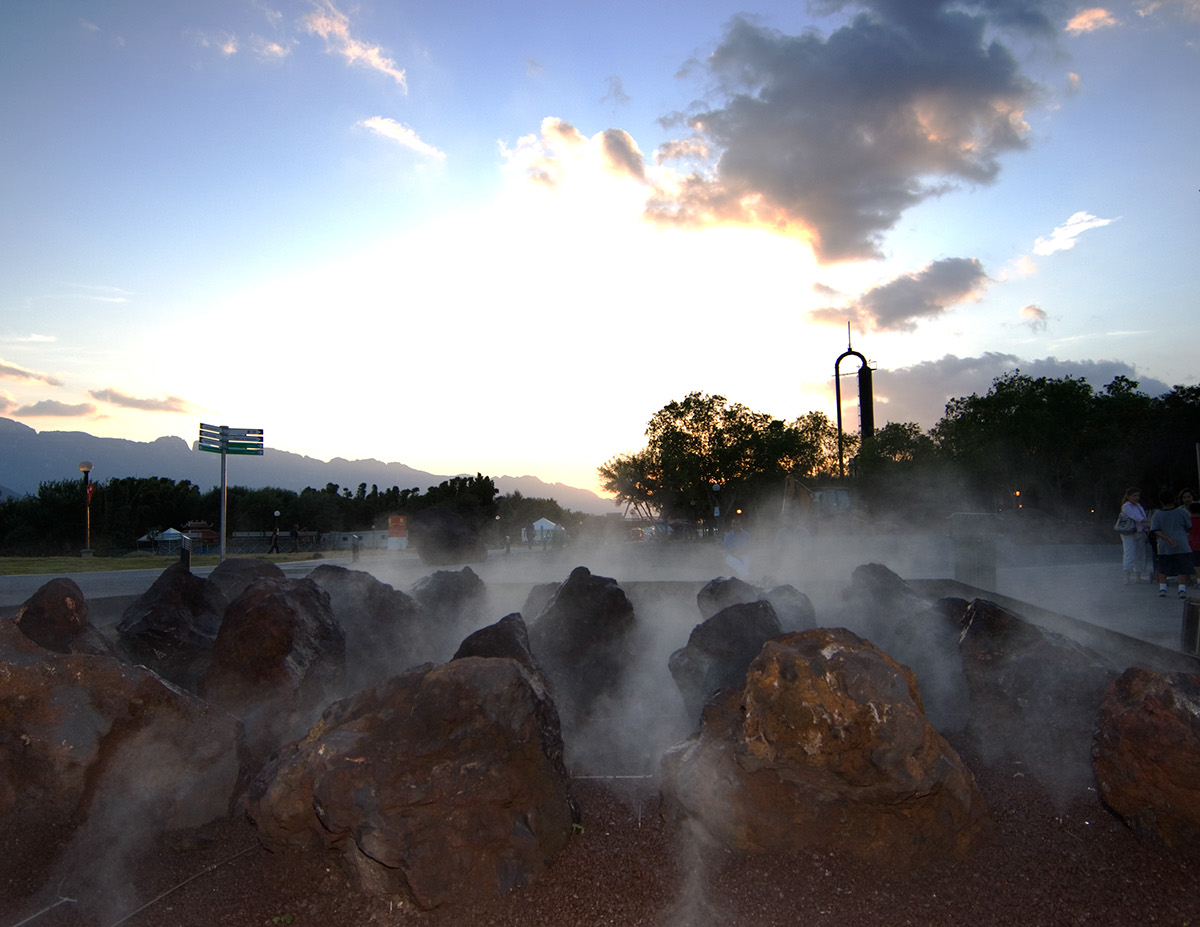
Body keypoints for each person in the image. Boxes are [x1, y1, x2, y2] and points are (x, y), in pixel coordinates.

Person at [1149, 489, 1193, 598]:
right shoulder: (1182, 512)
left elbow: (1155, 530)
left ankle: (1163, 588)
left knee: (1163, 567)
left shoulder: (1157, 514)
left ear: (1161, 501)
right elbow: (1189, 526)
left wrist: (1167, 538)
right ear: (1174, 500)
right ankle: (1182, 589)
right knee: (1182, 567)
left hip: (1164, 546)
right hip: (1182, 544)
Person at [1117, 488, 1149, 584]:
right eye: (1134, 496)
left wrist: (1146, 526)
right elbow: (1136, 517)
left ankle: (1138, 576)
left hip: (1140, 532)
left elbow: (1142, 517)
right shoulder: (1126, 506)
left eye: (1138, 496)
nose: (1136, 498)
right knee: (1129, 553)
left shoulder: (1139, 506)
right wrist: (1147, 521)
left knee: (1140, 554)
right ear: (1128, 496)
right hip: (1129, 533)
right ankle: (1126, 576)